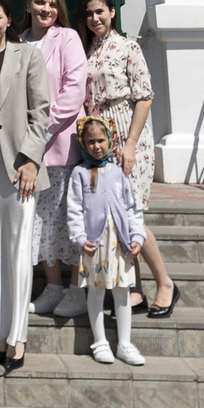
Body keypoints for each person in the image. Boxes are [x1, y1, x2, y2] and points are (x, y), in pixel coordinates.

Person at [80, 0, 176, 318]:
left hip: (125, 131)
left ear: (112, 13)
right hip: (99, 135)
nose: (95, 19)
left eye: (100, 12)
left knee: (131, 214)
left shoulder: (128, 47)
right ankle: (134, 289)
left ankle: (165, 283)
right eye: (90, 14)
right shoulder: (90, 50)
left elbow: (144, 97)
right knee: (114, 214)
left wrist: (131, 144)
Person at [0, 0, 51, 373]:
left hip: (20, 168)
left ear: (7, 19)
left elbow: (41, 112)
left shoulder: (28, 56)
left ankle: (17, 336)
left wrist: (31, 161)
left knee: (18, 255)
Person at [24, 0, 89, 318]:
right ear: (28, 5)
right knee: (44, 220)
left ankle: (77, 291)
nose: (45, 9)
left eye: (51, 3)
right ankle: (52, 287)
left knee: (69, 217)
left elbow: (73, 89)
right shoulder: (18, 43)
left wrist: (41, 130)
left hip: (62, 143)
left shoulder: (67, 38)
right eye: (39, 2)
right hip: (30, 151)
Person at [64, 113, 148, 365]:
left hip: (120, 244)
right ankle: (99, 341)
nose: (97, 146)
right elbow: (74, 209)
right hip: (94, 246)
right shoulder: (79, 173)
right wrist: (79, 238)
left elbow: (132, 208)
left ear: (110, 140)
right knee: (96, 291)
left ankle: (124, 343)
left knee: (123, 291)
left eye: (101, 140)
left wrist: (137, 236)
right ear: (83, 144)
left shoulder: (119, 173)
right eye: (91, 142)